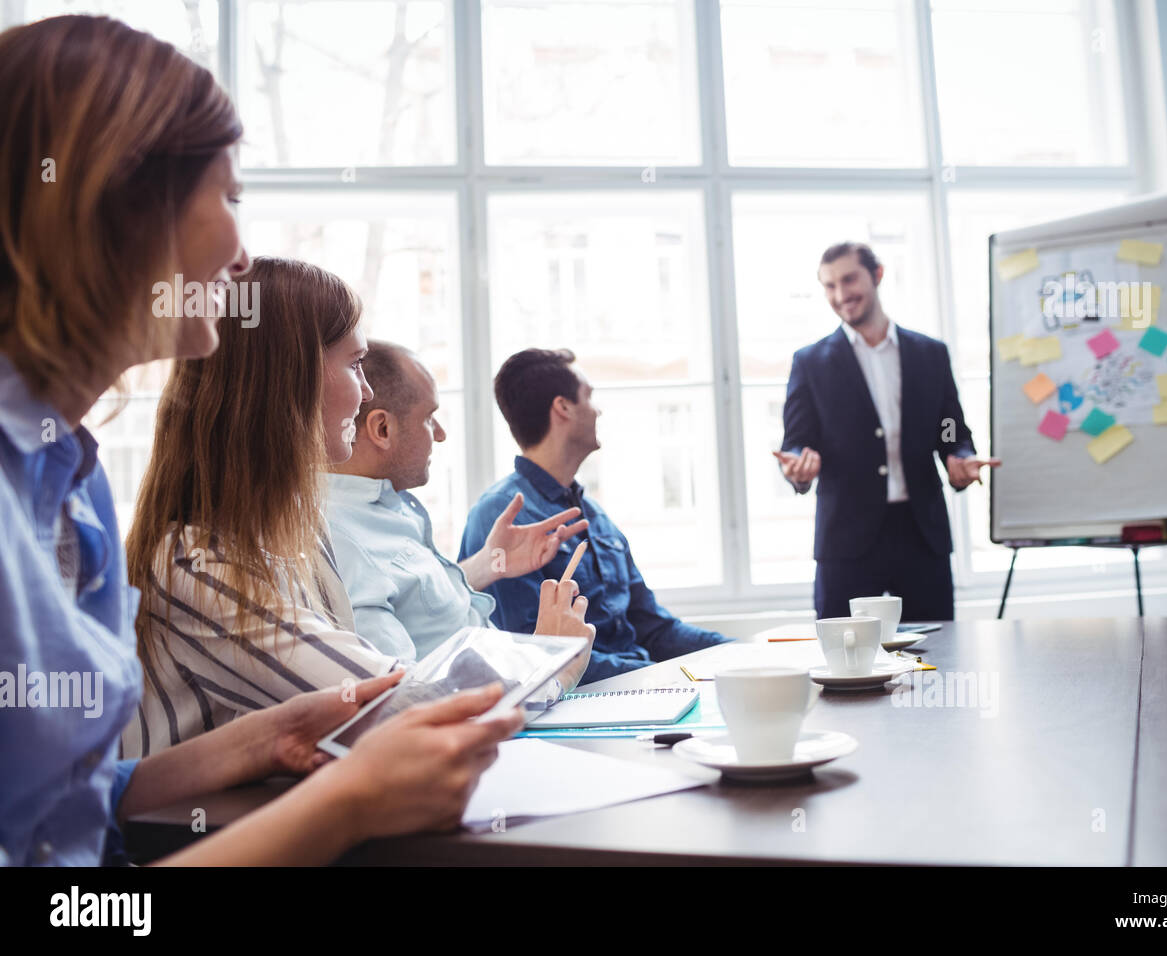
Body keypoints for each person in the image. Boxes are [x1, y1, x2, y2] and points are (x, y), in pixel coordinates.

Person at [0, 15, 519, 866]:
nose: (242, 258)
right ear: (116, 206)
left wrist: (258, 739)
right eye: (228, 199)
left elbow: (66, 810)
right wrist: (348, 800)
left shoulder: (70, 476)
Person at [123, 260, 594, 757]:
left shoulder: (290, 535)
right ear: (289, 382)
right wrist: (552, 658)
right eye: (353, 365)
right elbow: (396, 710)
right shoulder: (197, 566)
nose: (366, 391)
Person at [460, 348, 731, 683]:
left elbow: (652, 628)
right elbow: (533, 654)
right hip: (582, 702)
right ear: (563, 408)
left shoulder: (594, 515)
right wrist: (669, 677)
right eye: (589, 397)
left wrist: (735, 654)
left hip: (642, 686)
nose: (597, 410)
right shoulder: (502, 517)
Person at [325, 340, 595, 661]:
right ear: (382, 428)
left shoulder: (393, 510)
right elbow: (405, 697)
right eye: (429, 418)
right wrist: (551, 653)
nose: (440, 434)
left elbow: (422, 608)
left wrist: (491, 562)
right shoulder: (344, 540)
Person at [775, 241, 1001, 621]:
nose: (841, 295)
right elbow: (797, 442)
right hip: (845, 542)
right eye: (829, 286)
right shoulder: (811, 362)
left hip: (920, 536)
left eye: (849, 280)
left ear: (877, 274)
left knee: (935, 659)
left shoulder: (930, 354)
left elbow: (948, 428)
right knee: (847, 666)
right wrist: (797, 468)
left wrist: (957, 457)